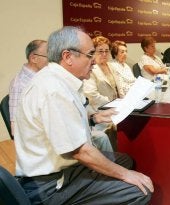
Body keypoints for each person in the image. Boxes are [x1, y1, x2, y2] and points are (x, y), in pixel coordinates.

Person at [14, 26, 153, 205]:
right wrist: (126, 175)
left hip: (62, 170)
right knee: (140, 191)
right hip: (49, 185)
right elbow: (81, 152)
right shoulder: (54, 90)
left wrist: (94, 118)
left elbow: (61, 122)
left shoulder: (57, 80)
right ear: (67, 57)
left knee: (125, 160)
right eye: (90, 55)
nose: (94, 61)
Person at [83, 35, 119, 151]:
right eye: (100, 51)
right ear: (93, 52)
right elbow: (91, 95)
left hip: (115, 107)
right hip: (99, 112)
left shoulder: (111, 66)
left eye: (106, 51)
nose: (104, 54)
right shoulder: (91, 69)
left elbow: (118, 87)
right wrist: (113, 103)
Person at [9, 39, 48, 136]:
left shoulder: (43, 77)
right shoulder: (19, 85)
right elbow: (15, 128)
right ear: (33, 58)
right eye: (49, 56)